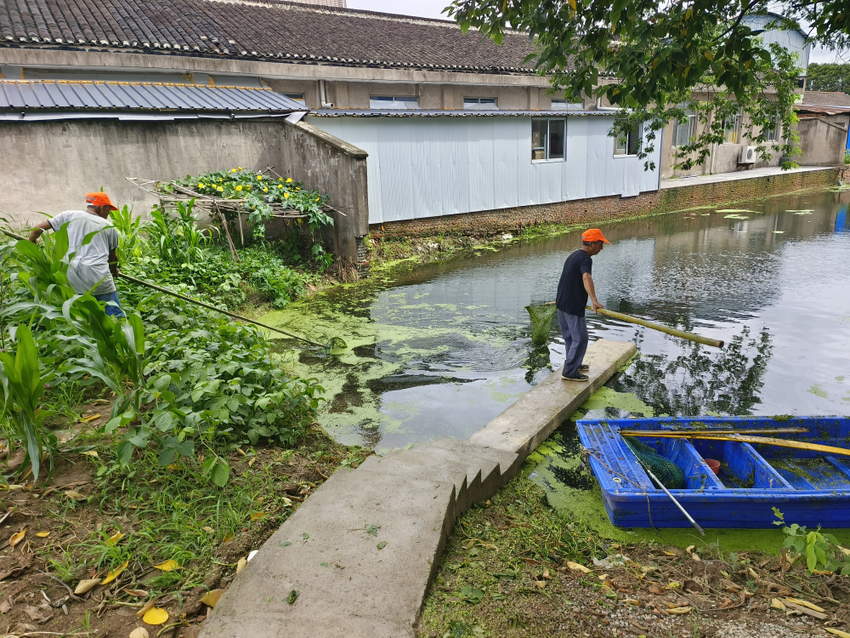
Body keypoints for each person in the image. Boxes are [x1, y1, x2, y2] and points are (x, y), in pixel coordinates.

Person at [28, 192, 124, 317]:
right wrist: (113, 271)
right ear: (102, 207)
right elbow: (113, 258)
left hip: (73, 274)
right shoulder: (109, 227)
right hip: (98, 275)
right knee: (114, 315)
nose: (109, 213)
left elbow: (35, 231)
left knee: (83, 315)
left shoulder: (69, 215)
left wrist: (32, 243)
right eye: (109, 209)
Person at [555, 228, 610, 381]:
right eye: (600, 244)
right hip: (572, 306)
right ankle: (569, 372)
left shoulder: (573, 255)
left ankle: (574, 363)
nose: (601, 248)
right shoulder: (585, 259)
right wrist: (594, 300)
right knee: (581, 339)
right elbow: (586, 277)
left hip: (561, 303)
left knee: (570, 338)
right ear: (592, 244)